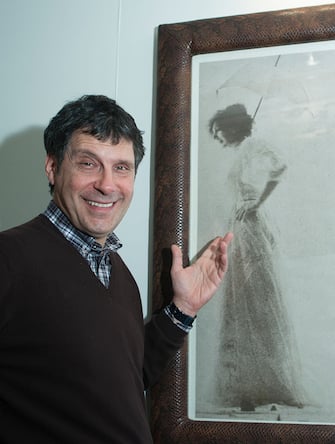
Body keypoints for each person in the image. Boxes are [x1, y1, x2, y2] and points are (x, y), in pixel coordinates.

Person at [0, 95, 233, 443]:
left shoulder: (118, 272)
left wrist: (183, 309)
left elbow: (124, 380)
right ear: (53, 167)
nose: (107, 185)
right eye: (88, 163)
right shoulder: (9, 257)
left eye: (121, 167)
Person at [207, 103, 304, 412]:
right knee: (241, 303)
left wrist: (256, 203)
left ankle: (270, 384)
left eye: (219, 131)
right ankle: (245, 386)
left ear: (233, 126)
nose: (217, 138)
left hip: (251, 229)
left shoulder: (253, 146)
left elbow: (281, 167)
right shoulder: (238, 153)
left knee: (258, 301)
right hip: (238, 228)